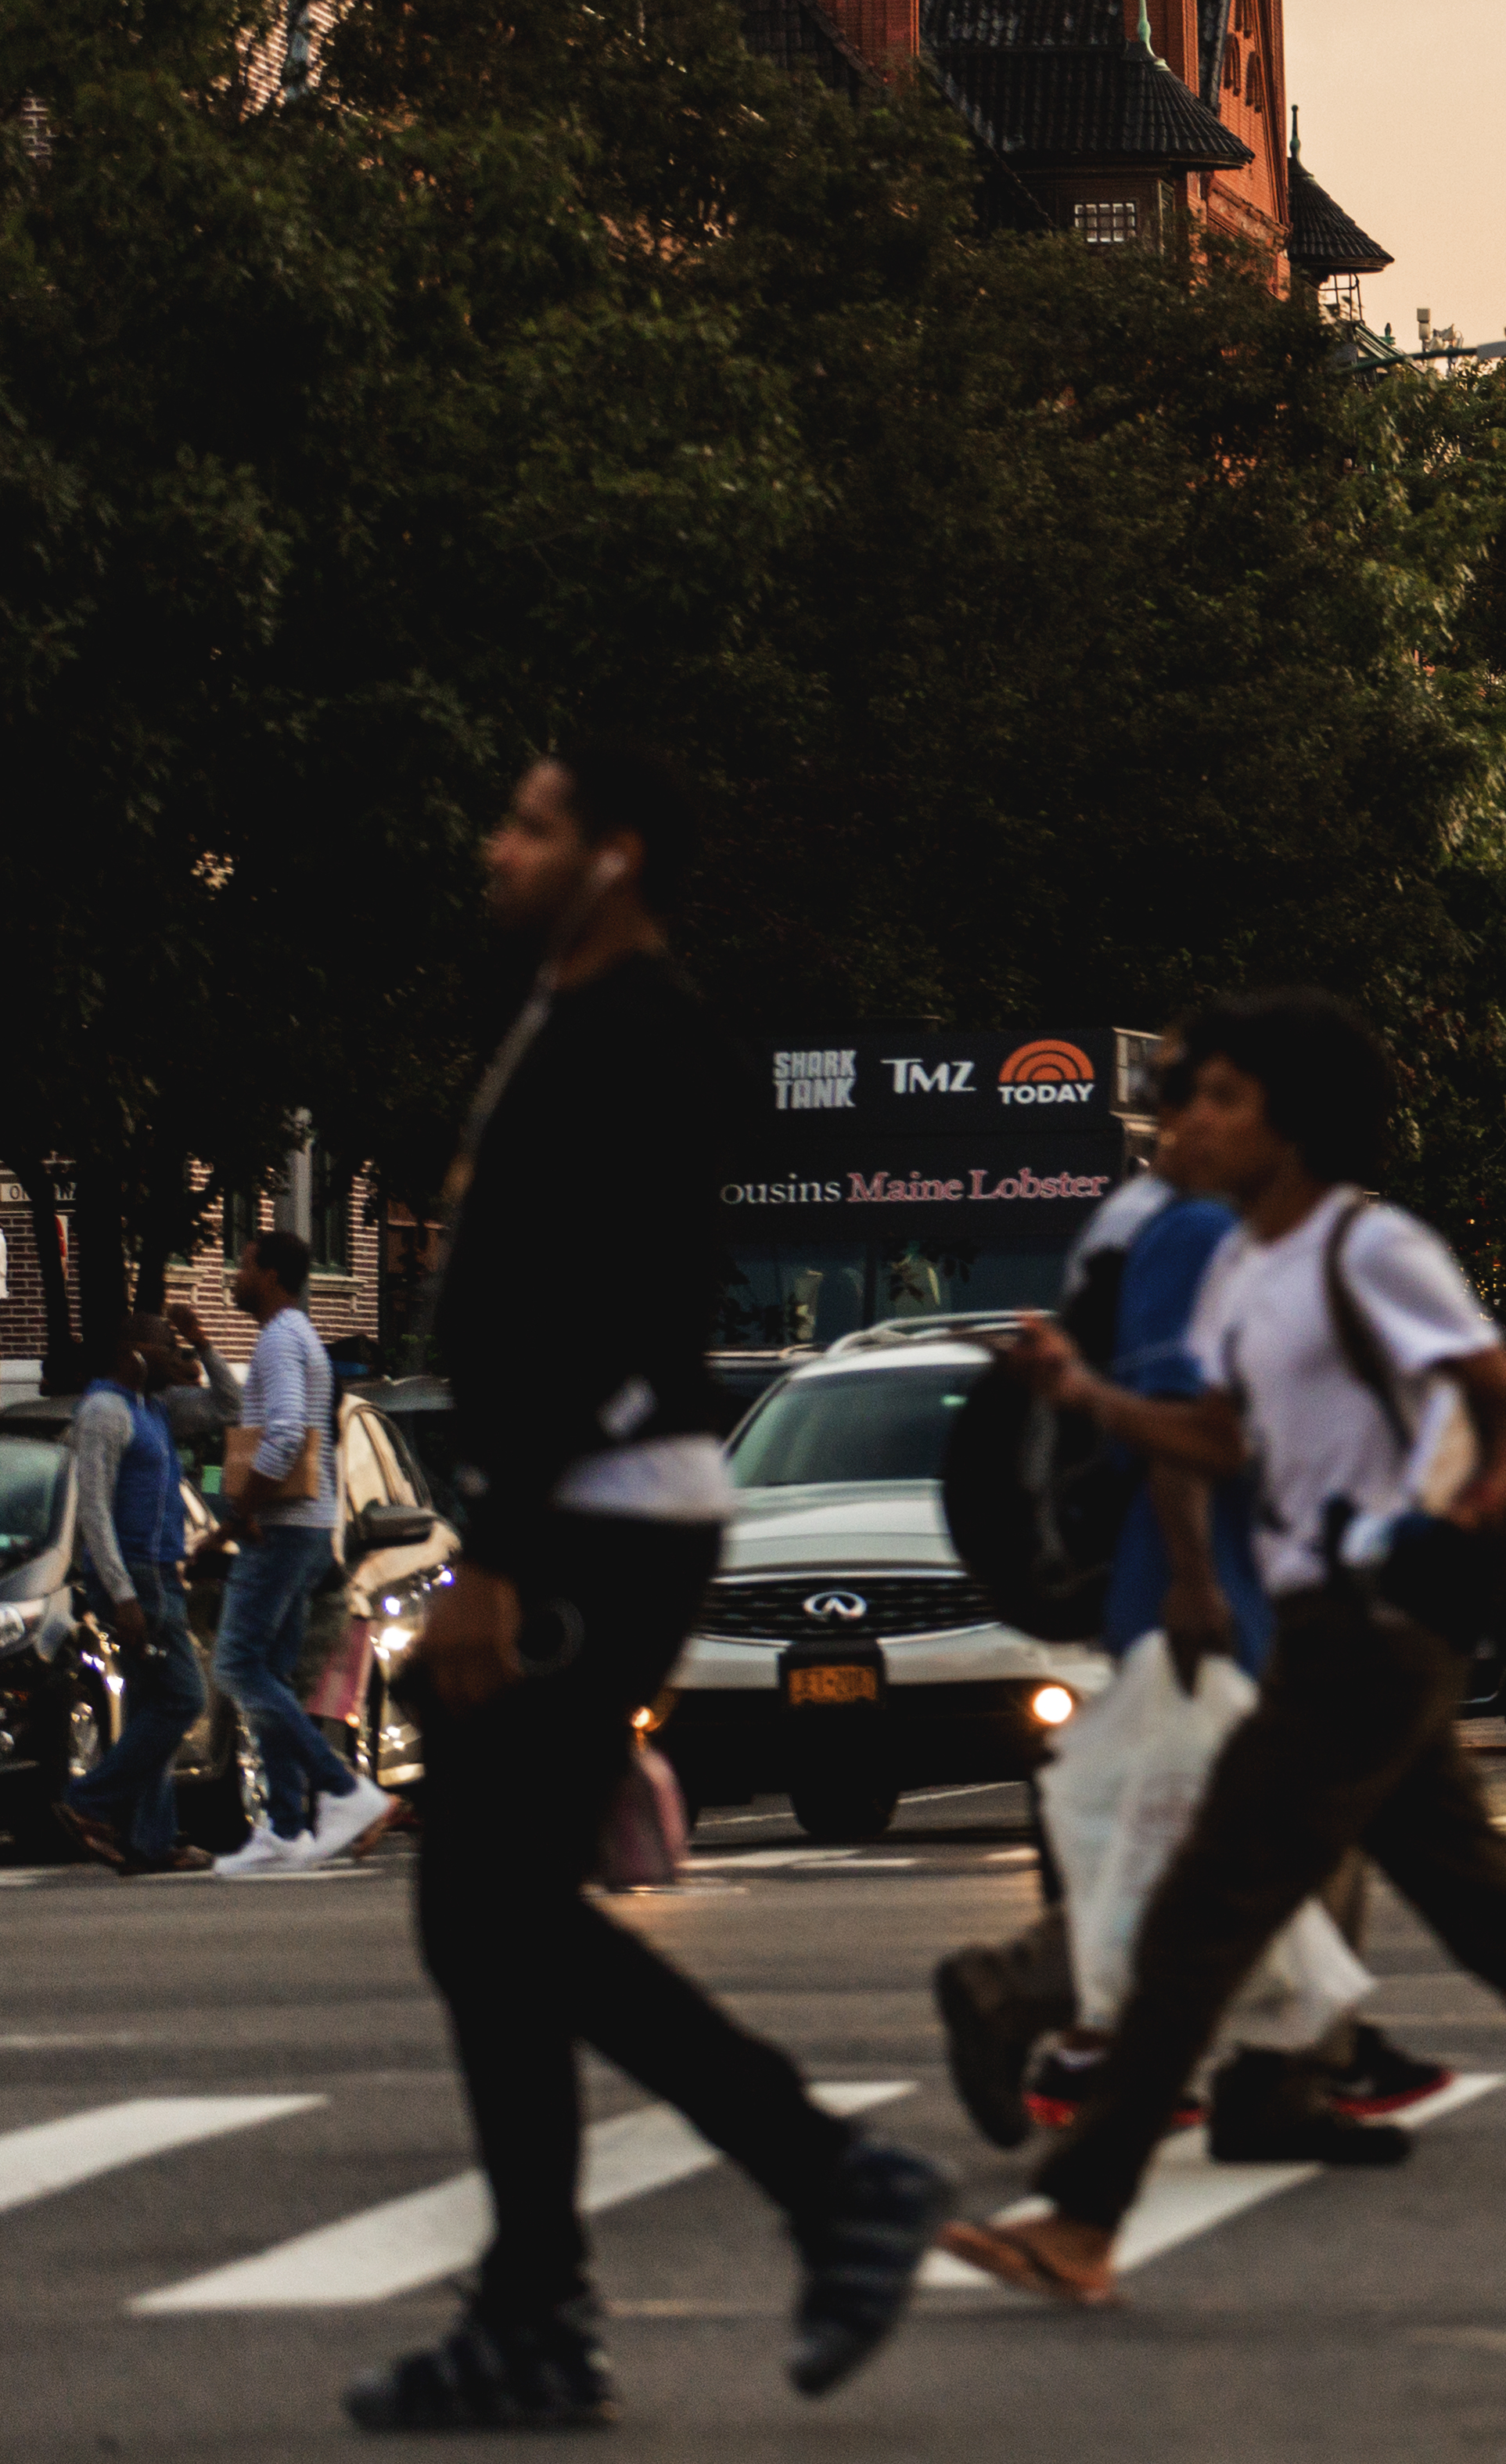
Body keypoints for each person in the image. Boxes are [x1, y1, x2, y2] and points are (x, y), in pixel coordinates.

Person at [940, 993, 1506, 2303]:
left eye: (1223, 1100)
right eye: (1187, 1098)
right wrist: (1085, 1399)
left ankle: (1083, 2221)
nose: (1188, 1120)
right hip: (1332, 1624)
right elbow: (1228, 1444)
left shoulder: (1370, 1252)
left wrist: (1448, 1526)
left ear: (1295, 1128)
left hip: (1370, 1631)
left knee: (1204, 1912)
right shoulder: (1245, 1269)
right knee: (1498, 1922)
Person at [354, 743, 947, 2427]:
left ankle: (821, 2183)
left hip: (602, 1512)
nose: (496, 850)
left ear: (613, 858)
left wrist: (509, 1553)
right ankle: (547, 2307)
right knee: (487, 1912)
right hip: (580, 1502)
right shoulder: (568, 1016)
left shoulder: (644, 1031)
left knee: (495, 1906)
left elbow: (622, 1300)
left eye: (529, 827)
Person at [206, 1228, 386, 1876]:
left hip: (282, 1529)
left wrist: (238, 1515)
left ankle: (344, 1791)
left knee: (237, 1667)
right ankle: (285, 1830)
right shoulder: (301, 1337)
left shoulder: (281, 1340)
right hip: (309, 1526)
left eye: (245, 1263)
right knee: (272, 1676)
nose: (235, 1272)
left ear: (273, 1275)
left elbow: (282, 1436)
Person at [52, 1314, 212, 1876]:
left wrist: (205, 1347)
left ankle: (151, 1841)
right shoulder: (104, 1412)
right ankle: (89, 1801)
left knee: (149, 1704)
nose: (173, 1355)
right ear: (130, 1352)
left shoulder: (153, 1409)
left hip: (161, 1571)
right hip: (136, 1577)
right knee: (184, 1698)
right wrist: (121, 1596)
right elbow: (94, 1511)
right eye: (163, 1345)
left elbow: (230, 1409)